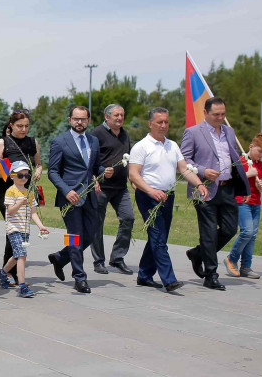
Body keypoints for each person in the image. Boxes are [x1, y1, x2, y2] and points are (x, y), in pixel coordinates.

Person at [128, 108, 207, 293]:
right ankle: (169, 280)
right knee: (158, 237)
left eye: (166, 122)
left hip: (168, 196)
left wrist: (199, 184)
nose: (163, 126)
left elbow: (184, 169)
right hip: (148, 196)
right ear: (150, 124)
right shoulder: (141, 147)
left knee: (159, 237)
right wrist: (151, 191)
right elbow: (133, 175)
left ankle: (144, 275)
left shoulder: (172, 145)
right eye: (159, 122)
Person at [181, 96, 250, 291]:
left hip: (228, 188)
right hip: (204, 189)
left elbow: (233, 158)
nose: (220, 118)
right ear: (205, 113)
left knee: (230, 229)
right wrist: (203, 171)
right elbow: (184, 161)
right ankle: (211, 275)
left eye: (223, 114)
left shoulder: (229, 131)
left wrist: (244, 186)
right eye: (216, 114)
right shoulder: (193, 132)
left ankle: (198, 253)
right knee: (209, 232)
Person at [47, 106, 113, 294]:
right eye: (76, 119)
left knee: (90, 236)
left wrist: (104, 171)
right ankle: (80, 278)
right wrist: (66, 191)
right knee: (74, 236)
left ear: (88, 121)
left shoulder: (93, 141)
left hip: (90, 196)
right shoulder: (60, 142)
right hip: (70, 198)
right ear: (70, 120)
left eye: (83, 119)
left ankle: (60, 257)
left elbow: (95, 167)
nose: (79, 122)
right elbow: (52, 172)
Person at [0, 109, 41, 286]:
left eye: (26, 126)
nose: (23, 129)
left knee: (21, 230)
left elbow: (38, 163)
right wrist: (11, 173)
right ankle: (9, 273)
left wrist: (38, 171)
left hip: (25, 191)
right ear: (11, 125)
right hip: (7, 191)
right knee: (14, 230)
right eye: (20, 126)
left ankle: (6, 271)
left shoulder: (32, 142)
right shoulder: (3, 143)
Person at [89, 104, 134, 275]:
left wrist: (132, 179)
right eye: (116, 115)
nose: (120, 118)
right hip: (101, 187)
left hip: (121, 187)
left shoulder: (124, 134)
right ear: (107, 117)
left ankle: (117, 258)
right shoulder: (96, 133)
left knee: (128, 218)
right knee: (97, 224)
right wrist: (94, 178)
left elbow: (128, 159)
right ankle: (98, 261)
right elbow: (89, 160)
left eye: (122, 115)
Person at [0, 161, 49, 298]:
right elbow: (10, 211)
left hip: (25, 230)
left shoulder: (29, 193)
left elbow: (33, 213)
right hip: (14, 228)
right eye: (20, 175)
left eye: (26, 175)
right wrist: (19, 203)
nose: (24, 178)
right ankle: (22, 286)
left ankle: (2, 273)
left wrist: (41, 226)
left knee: (17, 255)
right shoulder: (11, 191)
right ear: (12, 176)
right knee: (22, 255)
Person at [226, 133, 262, 279]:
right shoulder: (240, 161)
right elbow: (232, 181)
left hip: (255, 203)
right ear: (251, 146)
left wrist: (260, 185)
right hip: (242, 201)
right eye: (260, 151)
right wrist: (248, 174)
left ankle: (246, 266)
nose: (261, 155)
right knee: (247, 231)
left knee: (252, 236)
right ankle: (231, 259)